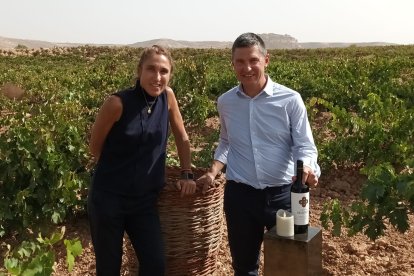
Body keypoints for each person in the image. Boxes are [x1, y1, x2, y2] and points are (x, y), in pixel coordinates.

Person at [197, 33, 321, 276]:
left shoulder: (290, 100)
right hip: (240, 196)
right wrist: (213, 171)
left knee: (291, 265)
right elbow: (226, 141)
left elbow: (305, 145)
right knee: (244, 267)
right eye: (240, 62)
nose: (247, 68)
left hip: (283, 196)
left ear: (266, 60)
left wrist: (307, 167)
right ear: (232, 64)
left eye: (253, 60)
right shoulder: (226, 102)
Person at [88, 45, 196, 276]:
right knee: (108, 268)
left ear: (170, 74)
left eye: (164, 71)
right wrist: (119, 175)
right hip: (109, 200)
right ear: (139, 71)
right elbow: (95, 147)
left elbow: (182, 136)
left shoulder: (168, 98)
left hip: (144, 202)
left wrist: (187, 173)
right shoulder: (117, 103)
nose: (157, 77)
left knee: (155, 264)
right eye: (151, 69)